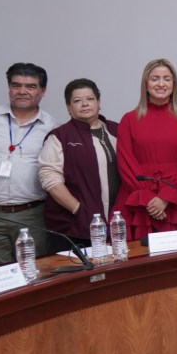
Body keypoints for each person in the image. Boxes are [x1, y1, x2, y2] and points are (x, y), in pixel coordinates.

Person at [0, 63, 57, 266]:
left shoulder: (52, 127)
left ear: (42, 91)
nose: (22, 91)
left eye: (31, 86)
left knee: (34, 275)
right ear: (9, 88)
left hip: (32, 216)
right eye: (16, 85)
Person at [113, 59, 177, 241]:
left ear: (174, 84)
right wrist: (149, 199)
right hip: (139, 200)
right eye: (155, 79)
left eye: (167, 79)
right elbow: (125, 163)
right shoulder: (128, 119)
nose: (161, 84)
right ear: (146, 83)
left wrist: (166, 197)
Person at [38, 79, 120, 245]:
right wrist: (78, 210)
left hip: (117, 221)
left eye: (90, 99)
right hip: (74, 226)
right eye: (77, 101)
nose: (85, 104)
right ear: (69, 107)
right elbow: (49, 177)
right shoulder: (60, 136)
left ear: (99, 102)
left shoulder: (117, 130)